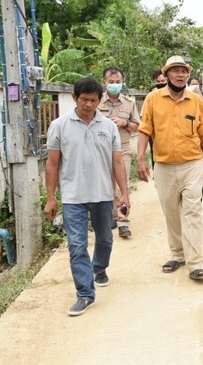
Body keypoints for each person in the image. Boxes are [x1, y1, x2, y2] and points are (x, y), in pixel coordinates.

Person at [44, 77, 130, 316]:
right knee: (77, 245)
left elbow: (117, 161)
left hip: (103, 194)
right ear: (74, 98)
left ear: (99, 100)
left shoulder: (109, 126)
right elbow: (52, 164)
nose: (89, 105)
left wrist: (124, 193)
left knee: (105, 239)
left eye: (93, 100)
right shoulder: (59, 125)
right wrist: (51, 198)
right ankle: (84, 294)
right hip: (73, 197)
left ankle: (99, 268)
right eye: (84, 100)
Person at [136, 55, 203, 281]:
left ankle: (196, 263)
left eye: (184, 71)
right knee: (171, 213)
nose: (181, 75)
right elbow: (145, 129)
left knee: (192, 212)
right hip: (164, 165)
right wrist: (140, 158)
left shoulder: (195, 100)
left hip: (192, 164)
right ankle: (178, 255)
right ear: (166, 74)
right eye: (175, 71)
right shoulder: (152, 99)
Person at [99, 67, 140, 238]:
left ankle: (123, 221)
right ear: (104, 82)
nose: (115, 85)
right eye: (111, 82)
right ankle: (111, 217)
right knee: (106, 186)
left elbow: (137, 126)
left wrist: (124, 123)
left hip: (122, 149)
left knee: (122, 187)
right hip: (102, 150)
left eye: (118, 82)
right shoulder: (97, 102)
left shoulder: (129, 103)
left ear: (123, 82)